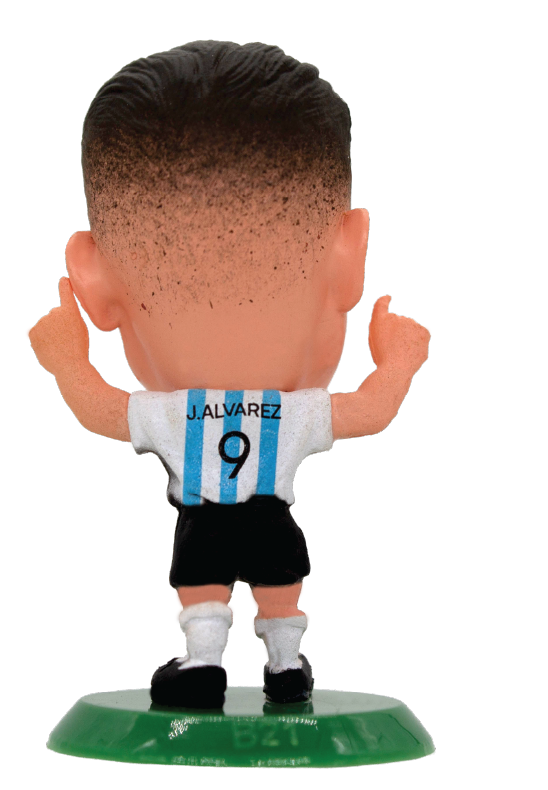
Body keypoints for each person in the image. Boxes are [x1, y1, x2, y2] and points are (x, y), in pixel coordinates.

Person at [25, 40, 431, 709]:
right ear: (350, 260)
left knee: (201, 580)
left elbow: (98, 409)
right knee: (278, 580)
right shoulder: (292, 415)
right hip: (269, 512)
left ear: (92, 280)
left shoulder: (173, 417)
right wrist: (401, 360)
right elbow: (371, 410)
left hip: (205, 516)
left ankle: (204, 660)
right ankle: (285, 662)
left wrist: (66, 357)